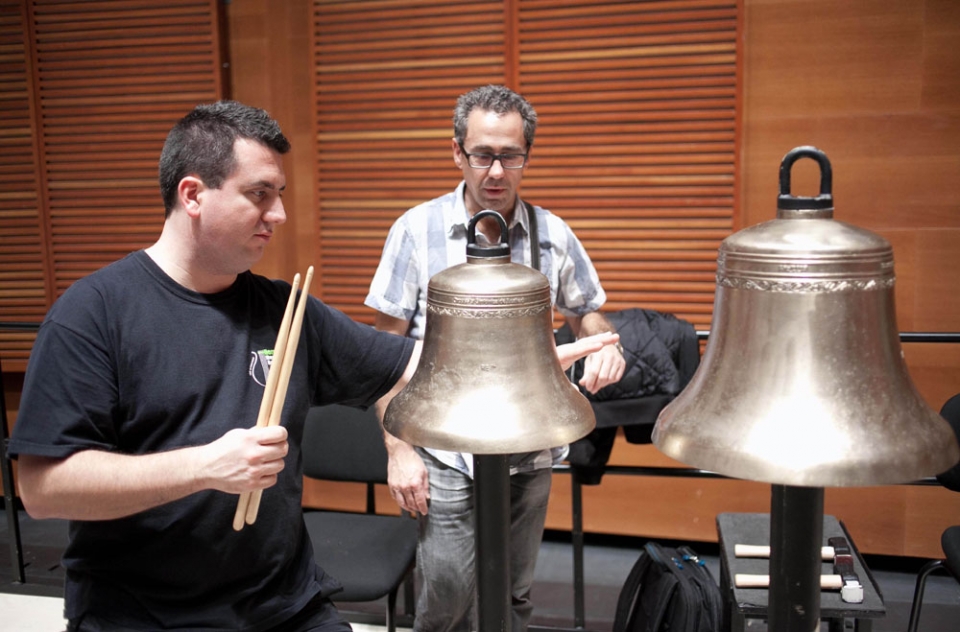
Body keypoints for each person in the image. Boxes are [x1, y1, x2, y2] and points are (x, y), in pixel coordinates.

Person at [9, 100, 616, 632]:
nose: (278, 215)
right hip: (144, 614)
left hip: (283, 606)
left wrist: (516, 369)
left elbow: (410, 364)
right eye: (259, 195)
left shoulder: (285, 308)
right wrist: (206, 467)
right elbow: (41, 489)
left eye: (278, 195)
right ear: (193, 194)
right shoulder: (94, 314)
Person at [366, 84, 626, 632]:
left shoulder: (553, 235)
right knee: (449, 596)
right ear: (457, 152)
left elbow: (589, 314)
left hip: (529, 446)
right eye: (482, 155)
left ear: (527, 156)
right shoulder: (415, 231)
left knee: (512, 595)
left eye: (510, 155)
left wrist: (607, 344)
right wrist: (398, 448)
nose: (496, 172)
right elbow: (383, 353)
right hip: (443, 450)